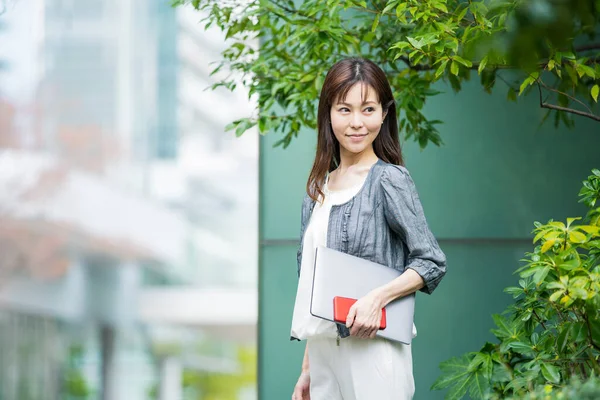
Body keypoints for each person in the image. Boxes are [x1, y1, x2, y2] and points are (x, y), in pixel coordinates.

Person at [289, 57, 447, 400]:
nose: (357, 123)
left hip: (372, 346)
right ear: (328, 114)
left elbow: (431, 262)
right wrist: (307, 370)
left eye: (368, 109)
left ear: (384, 114)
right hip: (323, 351)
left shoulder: (389, 180)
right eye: (345, 110)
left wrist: (378, 298)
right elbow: (317, 289)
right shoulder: (317, 189)